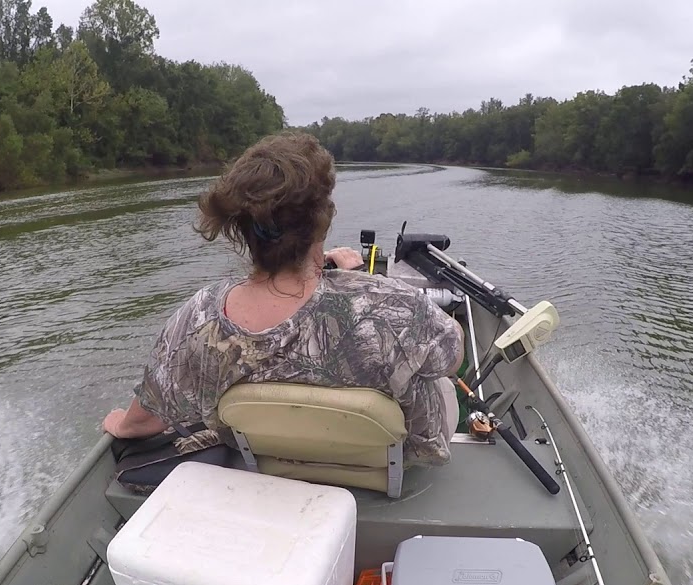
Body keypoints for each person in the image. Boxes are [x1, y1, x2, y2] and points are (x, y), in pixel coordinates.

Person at [102, 131, 463, 466]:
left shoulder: (198, 317)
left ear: (243, 229)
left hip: (265, 465)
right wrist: (355, 284)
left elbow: (147, 414)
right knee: (434, 378)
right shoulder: (394, 306)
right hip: (389, 470)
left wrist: (123, 425)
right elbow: (450, 360)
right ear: (322, 220)